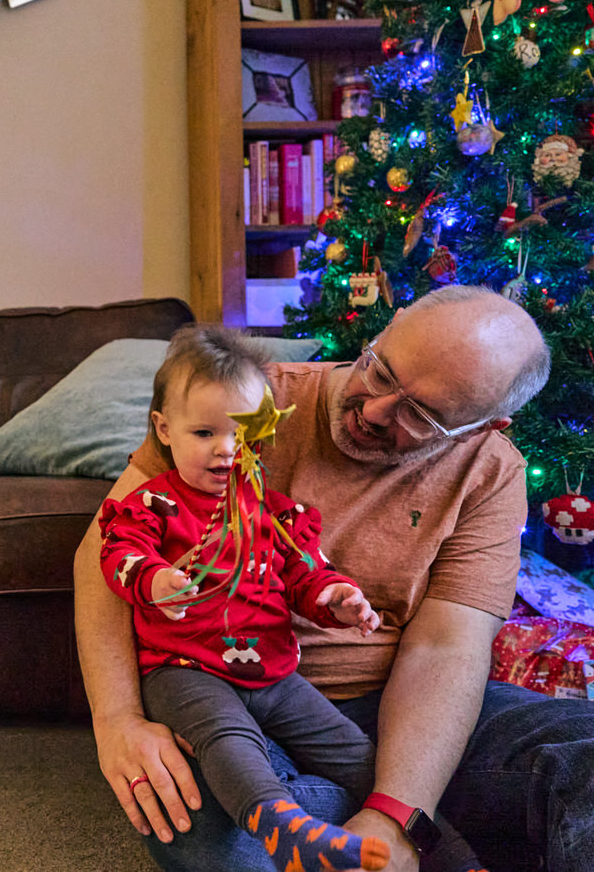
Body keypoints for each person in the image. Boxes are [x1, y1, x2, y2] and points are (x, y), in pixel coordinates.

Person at [75, 286, 594, 872]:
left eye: (420, 415)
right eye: (381, 369)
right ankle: (387, 829)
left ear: (483, 426)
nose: (375, 409)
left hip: (404, 709)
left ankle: (388, 825)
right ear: (390, 325)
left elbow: (446, 649)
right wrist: (117, 720)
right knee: (198, 816)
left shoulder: (492, 472)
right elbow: (106, 552)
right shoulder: (242, 398)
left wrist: (397, 804)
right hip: (222, 688)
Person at [99, 324, 391, 872]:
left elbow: (308, 574)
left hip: (274, 671)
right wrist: (155, 579)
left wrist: (337, 596)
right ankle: (282, 826)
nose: (226, 450)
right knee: (229, 741)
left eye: (241, 434)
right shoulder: (153, 503)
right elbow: (119, 551)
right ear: (164, 429)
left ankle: (443, 845)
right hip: (184, 668)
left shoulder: (272, 510)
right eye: (205, 432)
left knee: (356, 752)